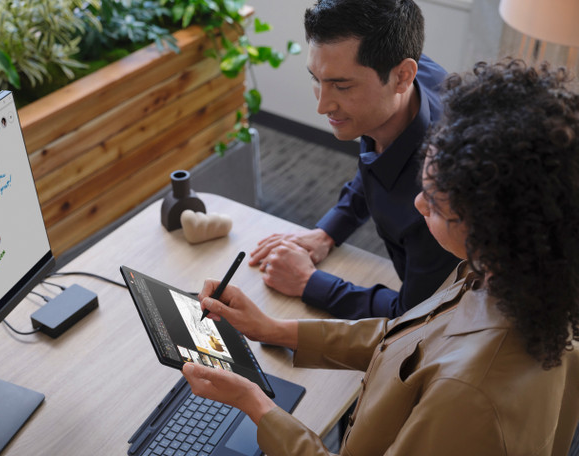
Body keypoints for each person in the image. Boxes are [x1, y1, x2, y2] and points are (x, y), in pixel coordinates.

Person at [183, 59, 579, 455]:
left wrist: (255, 405)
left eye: (438, 205)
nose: (418, 203)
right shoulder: (500, 276)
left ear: (497, 226)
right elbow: (409, 339)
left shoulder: (465, 396)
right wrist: (273, 329)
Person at [249, 0, 459, 319]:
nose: (322, 105)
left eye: (342, 86)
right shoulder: (409, 76)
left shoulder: (438, 197)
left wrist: (308, 282)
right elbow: (379, 159)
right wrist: (328, 232)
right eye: (316, 79)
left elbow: (419, 315)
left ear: (403, 76)